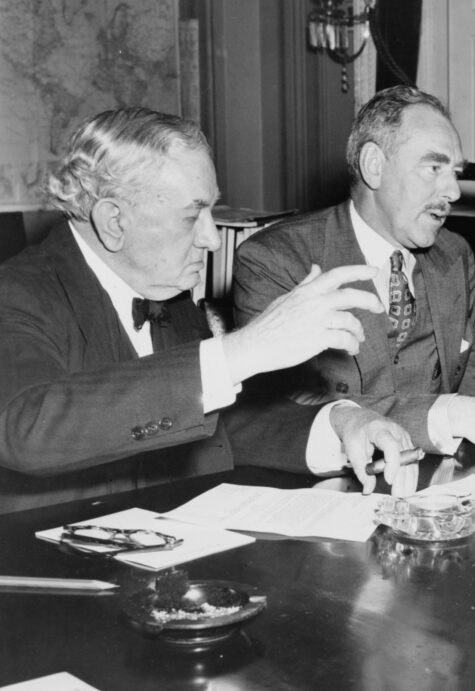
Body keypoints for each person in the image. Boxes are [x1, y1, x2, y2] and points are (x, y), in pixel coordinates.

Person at [0, 107, 415, 512]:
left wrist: (340, 424)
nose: (212, 240)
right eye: (191, 217)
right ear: (113, 221)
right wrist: (243, 350)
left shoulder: (169, 295)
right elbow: (25, 427)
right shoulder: (17, 293)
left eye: (211, 210)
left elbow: (216, 426)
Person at [234, 85, 475, 458]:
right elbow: (279, 415)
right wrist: (451, 416)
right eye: (434, 167)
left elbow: (471, 367)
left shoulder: (456, 255)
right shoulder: (277, 260)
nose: (454, 191)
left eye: (455, 172)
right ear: (374, 166)